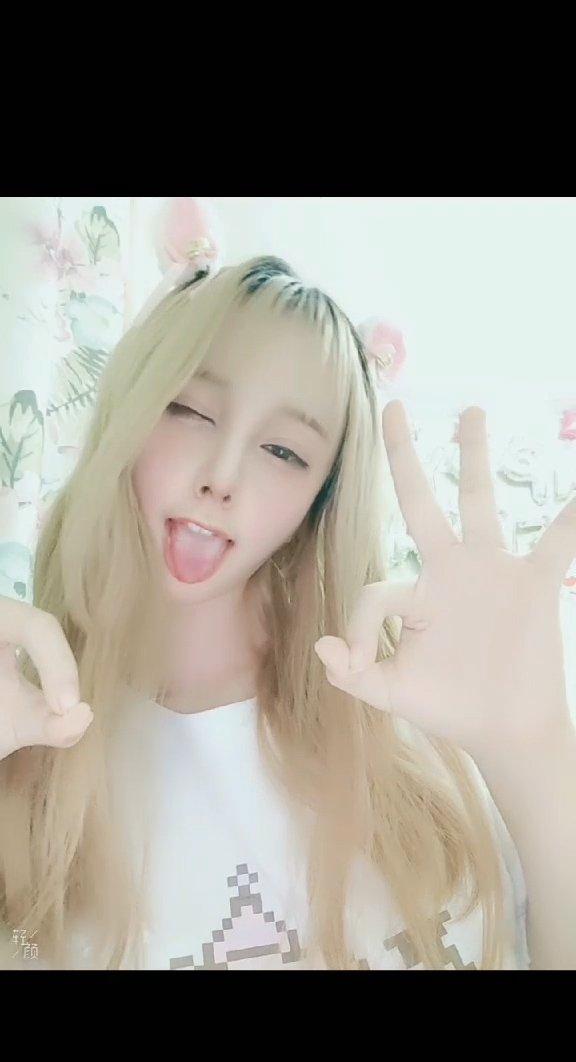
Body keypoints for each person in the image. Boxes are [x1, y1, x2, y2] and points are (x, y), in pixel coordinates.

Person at [0, 255, 573, 970]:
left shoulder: (428, 711)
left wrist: (538, 752)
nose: (222, 476)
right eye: (190, 410)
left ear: (320, 500)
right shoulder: (27, 751)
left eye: (282, 450)